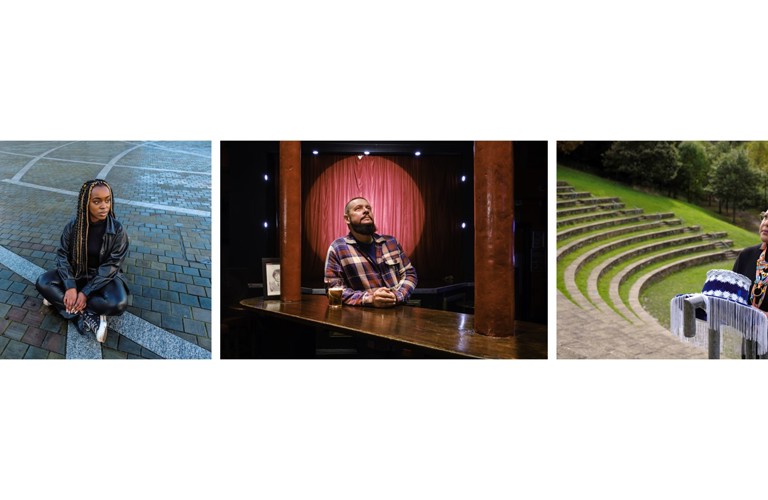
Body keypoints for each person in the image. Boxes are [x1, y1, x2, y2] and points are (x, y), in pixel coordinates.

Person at [36, 179, 130, 343]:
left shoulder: (117, 230)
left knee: (119, 303)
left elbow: (112, 266)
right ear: (86, 203)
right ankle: (86, 314)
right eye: (97, 201)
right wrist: (71, 286)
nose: (104, 206)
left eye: (107, 200)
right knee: (43, 282)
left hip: (103, 278)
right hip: (77, 273)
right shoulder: (73, 227)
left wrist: (85, 293)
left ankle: (63, 304)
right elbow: (62, 256)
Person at [324, 196, 417, 307]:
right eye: (358, 208)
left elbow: (409, 273)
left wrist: (397, 296)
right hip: (362, 319)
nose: (366, 210)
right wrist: (370, 299)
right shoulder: (338, 248)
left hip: (399, 314)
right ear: (347, 219)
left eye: (368, 208)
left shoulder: (391, 242)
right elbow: (333, 288)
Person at [732, 209, 768, 358]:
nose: (766, 223)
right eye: (765, 217)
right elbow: (733, 295)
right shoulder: (747, 256)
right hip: (750, 341)